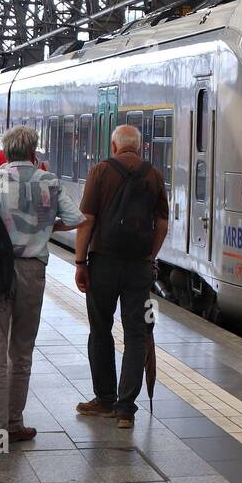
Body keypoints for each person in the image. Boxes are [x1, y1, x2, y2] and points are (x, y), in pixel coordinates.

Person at [0, 125, 84, 450]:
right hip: (34, 272)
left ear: (6, 150)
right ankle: (15, 424)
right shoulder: (49, 180)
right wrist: (47, 228)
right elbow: (77, 219)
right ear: (34, 151)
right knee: (21, 353)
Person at [75, 124, 168, 429]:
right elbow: (162, 224)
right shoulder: (153, 174)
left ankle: (104, 399)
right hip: (138, 268)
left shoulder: (100, 171)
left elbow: (86, 219)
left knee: (100, 330)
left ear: (114, 147)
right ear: (139, 148)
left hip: (103, 263)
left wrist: (80, 261)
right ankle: (126, 409)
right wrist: (149, 257)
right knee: (136, 335)